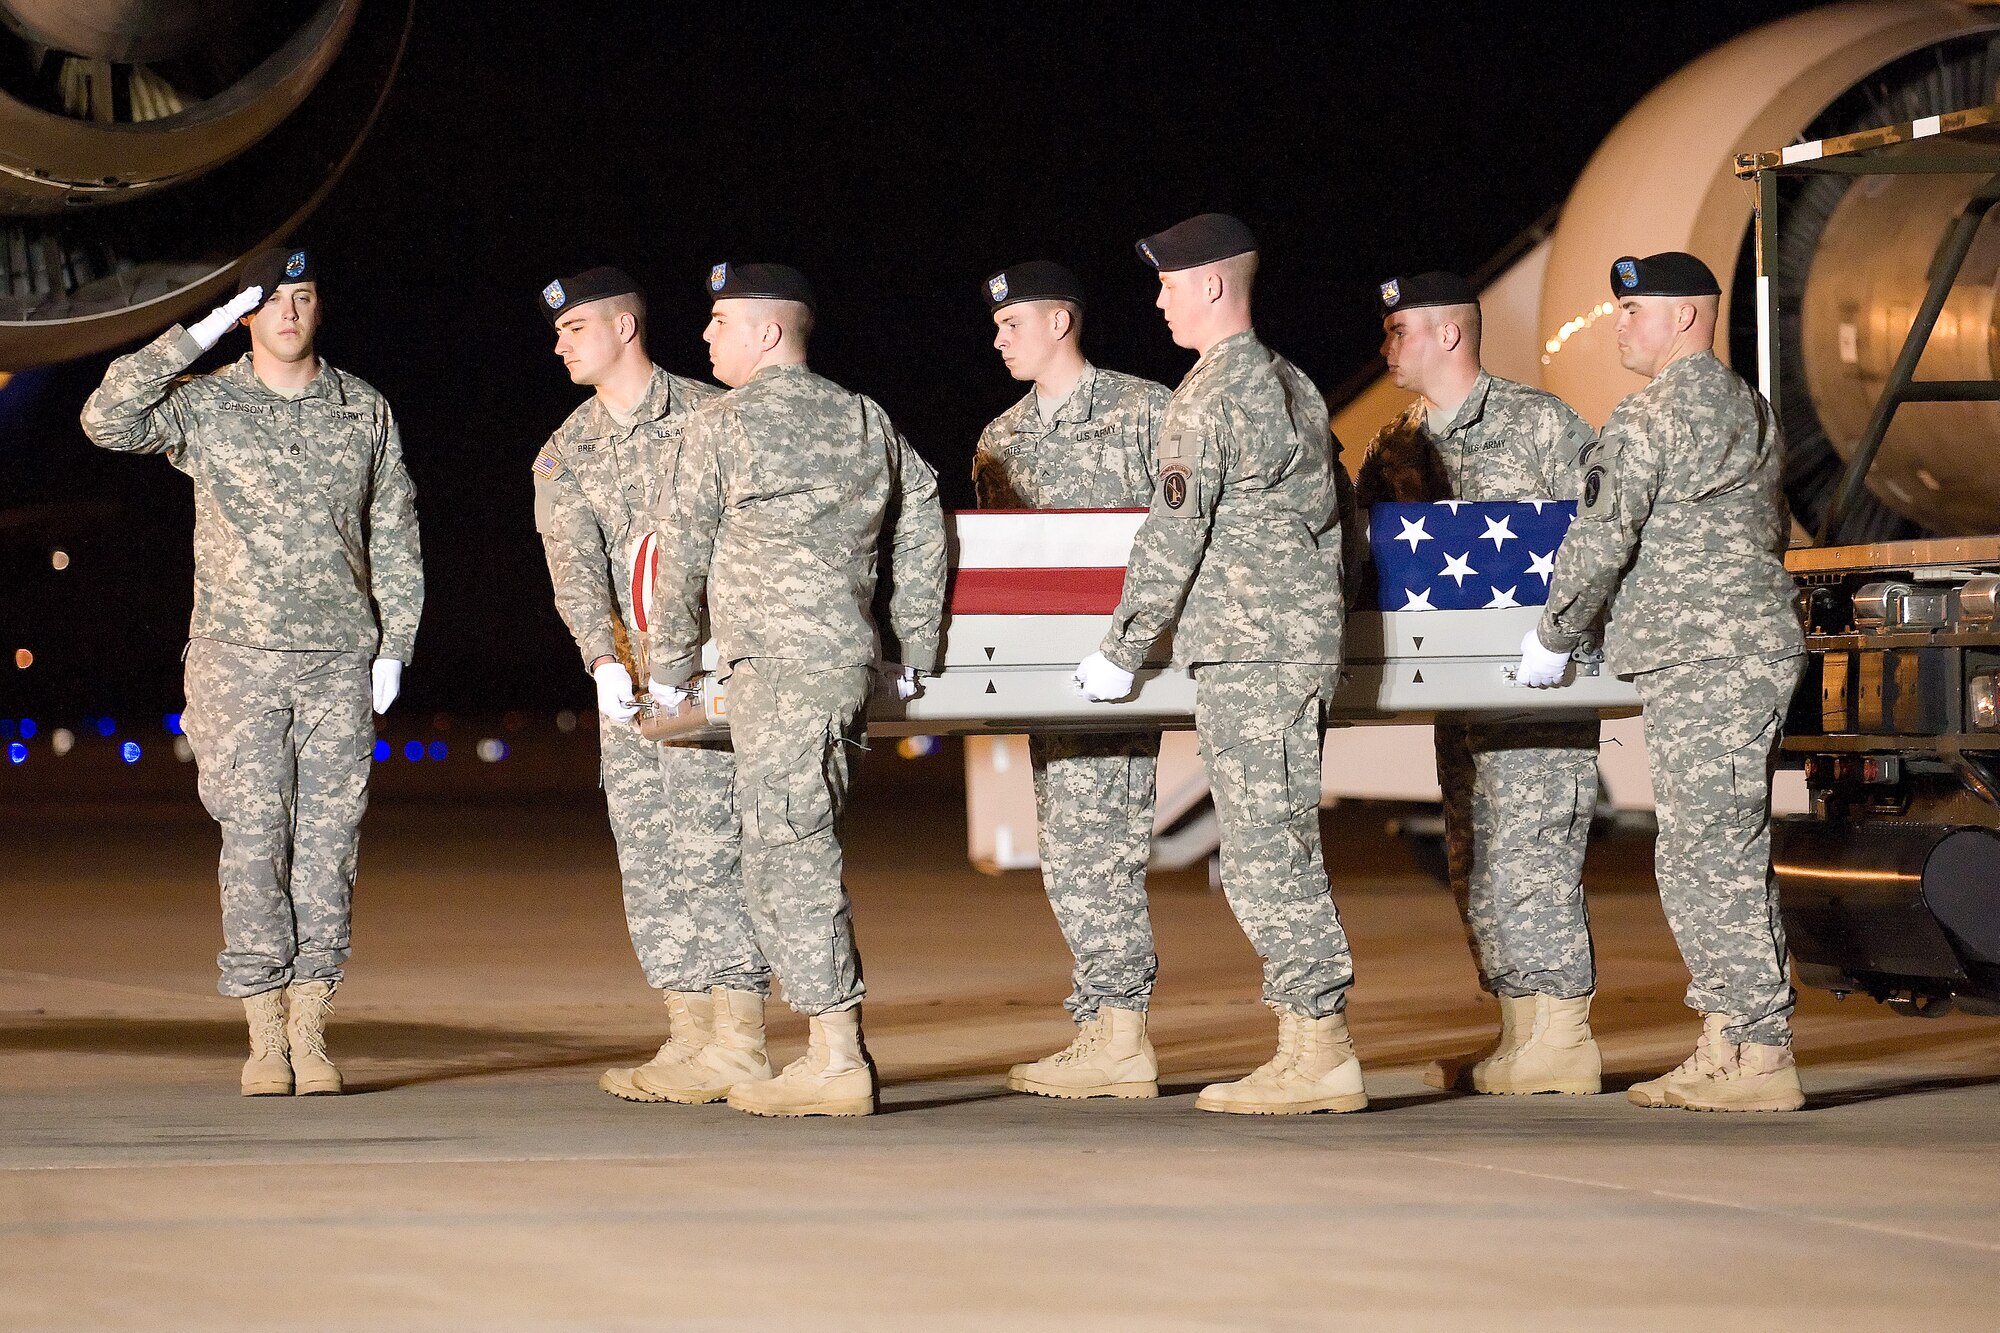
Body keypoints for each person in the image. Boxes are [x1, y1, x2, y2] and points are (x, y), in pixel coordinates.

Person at [80, 247, 423, 1096]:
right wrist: (190, 333)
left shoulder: (361, 409)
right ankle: (264, 1036)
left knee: (328, 848)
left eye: (303, 296)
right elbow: (107, 417)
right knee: (254, 842)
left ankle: (312, 1033)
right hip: (237, 660)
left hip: (338, 659)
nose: (289, 312)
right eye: (270, 300)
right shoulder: (209, 405)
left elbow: (396, 532)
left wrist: (393, 645)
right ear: (244, 316)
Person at [1075, 213, 1362, 1115]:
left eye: (1168, 284)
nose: (1159, 300)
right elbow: (1339, 518)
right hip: (1289, 644)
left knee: (1268, 852)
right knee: (1271, 843)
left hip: (1251, 651)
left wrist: (1122, 649)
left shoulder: (1205, 398)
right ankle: (1307, 1042)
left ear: (1210, 285)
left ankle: (1318, 1050)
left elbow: (1174, 533)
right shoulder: (1295, 385)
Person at [647, 262, 946, 1117]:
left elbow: (683, 555)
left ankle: (835, 1054)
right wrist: (914, 640)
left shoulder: (723, 424)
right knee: (797, 843)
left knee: (790, 855)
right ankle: (824, 1045)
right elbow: (922, 512)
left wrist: (667, 669)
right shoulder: (865, 419)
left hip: (773, 670)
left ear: (768, 332)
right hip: (841, 665)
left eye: (719, 321)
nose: (705, 337)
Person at [1517, 250, 1806, 1113]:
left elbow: (1601, 535)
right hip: (1742, 649)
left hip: (1706, 657)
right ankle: (1728, 1040)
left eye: (1635, 311)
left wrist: (1554, 632)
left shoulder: (1650, 416)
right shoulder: (1750, 411)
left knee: (1709, 853)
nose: (1621, 325)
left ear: (1685, 316)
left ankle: (1758, 1051)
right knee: (1714, 846)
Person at [529, 266, 773, 1104]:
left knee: (715, 852)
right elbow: (574, 567)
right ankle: (689, 1033)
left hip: (708, 674)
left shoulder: (714, 415)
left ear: (625, 328)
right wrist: (599, 657)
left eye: (574, 330)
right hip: (627, 687)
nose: (559, 345)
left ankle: (739, 1036)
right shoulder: (567, 448)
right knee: (651, 857)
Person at [1359, 271, 1604, 1096]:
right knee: (1480, 860)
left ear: (1450, 335)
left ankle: (1564, 1036)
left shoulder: (1541, 424)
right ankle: (1519, 1032)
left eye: (1400, 331)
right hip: (1458, 694)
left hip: (1536, 687)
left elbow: (1598, 539)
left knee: (1538, 853)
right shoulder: (1393, 445)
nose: (1386, 345)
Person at [973, 261, 1171, 1100]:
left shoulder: (1148, 412)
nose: (998, 338)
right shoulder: (1000, 438)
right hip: (1044, 679)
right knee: (1068, 855)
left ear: (1061, 321)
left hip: (1120, 671)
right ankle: (1101, 1026)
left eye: (1012, 323)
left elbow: (1178, 532)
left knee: (1101, 851)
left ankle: (1121, 1035)